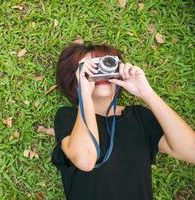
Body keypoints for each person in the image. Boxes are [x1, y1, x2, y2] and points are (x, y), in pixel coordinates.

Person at [51, 42, 195, 200]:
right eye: (91, 67)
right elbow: (85, 160)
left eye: (106, 63)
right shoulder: (68, 117)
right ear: (75, 77)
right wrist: (84, 92)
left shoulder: (140, 117)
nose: (101, 71)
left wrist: (146, 92)